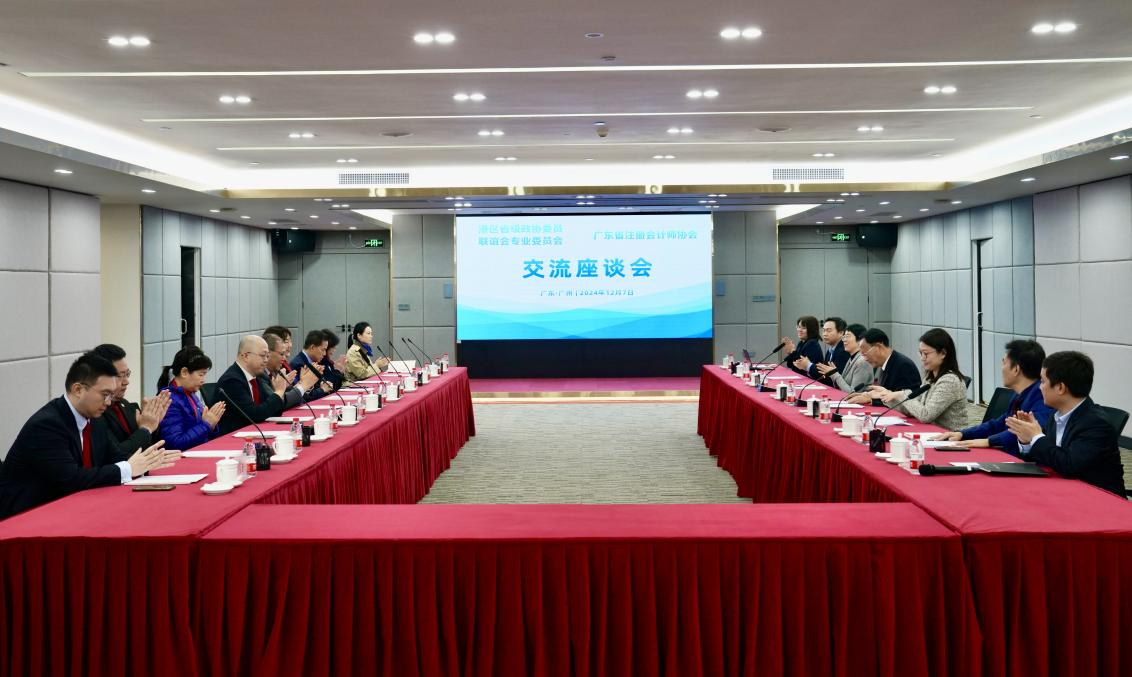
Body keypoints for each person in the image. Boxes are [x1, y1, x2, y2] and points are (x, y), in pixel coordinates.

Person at [0, 353, 180, 519]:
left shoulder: (94, 420)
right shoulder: (47, 425)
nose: (108, 402)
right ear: (78, 389)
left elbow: (118, 458)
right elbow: (71, 479)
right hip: (25, 518)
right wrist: (128, 469)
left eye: (111, 395)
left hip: (70, 510)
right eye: (105, 394)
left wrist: (147, 461)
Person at [1007, 351, 1125, 496]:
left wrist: (1036, 437)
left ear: (1060, 388)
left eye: (1043, 381)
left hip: (1099, 499)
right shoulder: (1055, 415)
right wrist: (1026, 441)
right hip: (1063, 491)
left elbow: (1069, 466)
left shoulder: (1096, 424)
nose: (1039, 387)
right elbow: (1048, 458)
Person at [935, 340, 1053, 456]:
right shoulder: (1019, 394)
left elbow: (1028, 432)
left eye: (1004, 363)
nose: (1001, 368)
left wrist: (989, 441)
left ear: (1016, 369)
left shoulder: (1041, 396)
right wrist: (963, 434)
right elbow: (999, 423)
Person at [865, 328, 969, 430]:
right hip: (933, 434)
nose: (922, 358)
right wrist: (887, 396)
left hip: (950, 437)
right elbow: (913, 410)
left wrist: (902, 394)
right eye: (920, 353)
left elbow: (926, 415)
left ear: (943, 353)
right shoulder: (929, 378)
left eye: (926, 354)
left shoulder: (950, 381)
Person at [89, 343, 171, 456]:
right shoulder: (95, 414)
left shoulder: (125, 405)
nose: (126, 382)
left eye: (127, 374)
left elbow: (148, 444)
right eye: (120, 376)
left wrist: (154, 422)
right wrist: (146, 428)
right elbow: (116, 455)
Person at [155, 346, 227, 450]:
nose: (203, 380)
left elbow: (203, 434)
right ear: (184, 372)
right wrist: (207, 424)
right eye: (201, 375)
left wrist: (212, 426)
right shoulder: (169, 400)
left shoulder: (190, 393)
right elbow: (174, 443)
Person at [215, 335, 289, 435]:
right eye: (263, 355)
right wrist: (279, 391)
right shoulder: (231, 381)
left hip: (253, 433)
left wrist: (278, 393)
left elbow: (273, 411)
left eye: (267, 356)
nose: (266, 360)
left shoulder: (257, 376)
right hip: (232, 437)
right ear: (246, 356)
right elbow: (255, 415)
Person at [846, 328, 923, 405]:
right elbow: (885, 393)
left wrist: (871, 400)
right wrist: (866, 395)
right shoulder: (885, 363)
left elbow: (908, 400)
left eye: (865, 354)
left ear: (878, 347)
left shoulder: (904, 365)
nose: (864, 359)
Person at [264, 332, 320, 409]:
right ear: (268, 353)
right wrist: (303, 385)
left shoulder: (275, 371)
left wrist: (301, 384)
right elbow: (278, 404)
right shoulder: (260, 375)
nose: (284, 358)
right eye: (281, 354)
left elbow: (287, 396)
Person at [815, 323, 875, 393]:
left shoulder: (862, 362)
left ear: (859, 339)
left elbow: (853, 393)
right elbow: (843, 386)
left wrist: (835, 375)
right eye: (844, 337)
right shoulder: (851, 358)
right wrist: (833, 374)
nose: (844, 340)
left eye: (848, 336)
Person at [793, 317, 850, 384]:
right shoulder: (830, 350)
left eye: (828, 331)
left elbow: (831, 378)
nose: (824, 334)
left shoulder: (843, 351)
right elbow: (824, 374)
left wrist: (808, 365)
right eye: (824, 330)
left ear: (841, 333)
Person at [290, 330, 335, 400]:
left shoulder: (313, 361)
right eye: (323, 350)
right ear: (312, 347)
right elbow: (303, 396)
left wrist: (323, 385)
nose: (324, 354)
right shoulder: (299, 365)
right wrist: (322, 389)